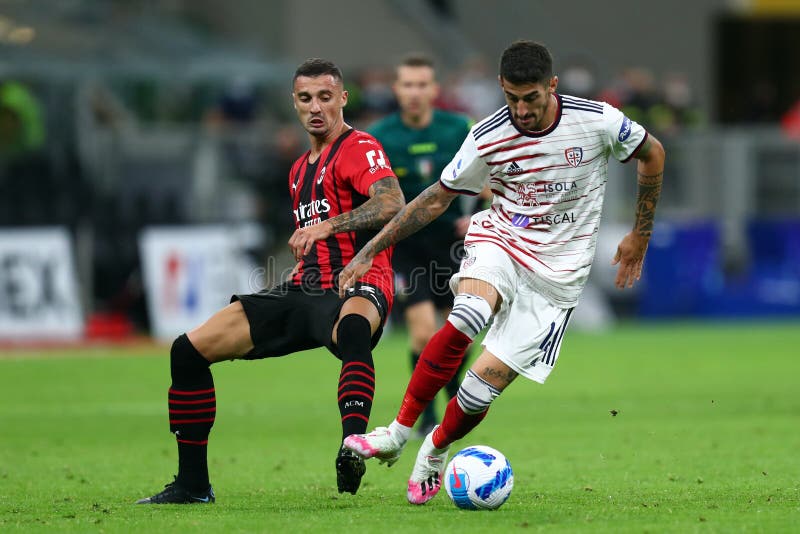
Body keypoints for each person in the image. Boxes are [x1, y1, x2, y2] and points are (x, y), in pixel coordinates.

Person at [340, 40, 665, 505]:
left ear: (551, 86)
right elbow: (436, 197)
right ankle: (396, 431)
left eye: (531, 98)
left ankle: (433, 450)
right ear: (501, 88)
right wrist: (372, 249)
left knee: (478, 392)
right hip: (501, 243)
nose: (521, 109)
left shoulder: (597, 120)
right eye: (512, 98)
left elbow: (654, 153)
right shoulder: (487, 136)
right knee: (468, 314)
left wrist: (641, 234)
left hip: (557, 279)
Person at [137, 58, 405, 504]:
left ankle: (352, 446)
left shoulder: (359, 147)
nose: (315, 107)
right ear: (294, 104)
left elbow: (392, 201)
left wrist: (328, 226)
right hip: (303, 288)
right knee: (188, 351)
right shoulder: (299, 168)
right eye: (305, 98)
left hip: (357, 279)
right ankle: (192, 485)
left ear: (343, 98)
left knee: (354, 329)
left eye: (325, 97)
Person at [367, 54, 474, 436]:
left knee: (458, 331)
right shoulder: (380, 136)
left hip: (454, 244)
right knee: (423, 332)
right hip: (408, 246)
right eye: (407, 85)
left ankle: (453, 396)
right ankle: (427, 414)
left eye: (421, 84)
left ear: (434, 89)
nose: (414, 92)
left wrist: (476, 213)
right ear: (397, 89)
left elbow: (493, 181)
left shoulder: (460, 128)